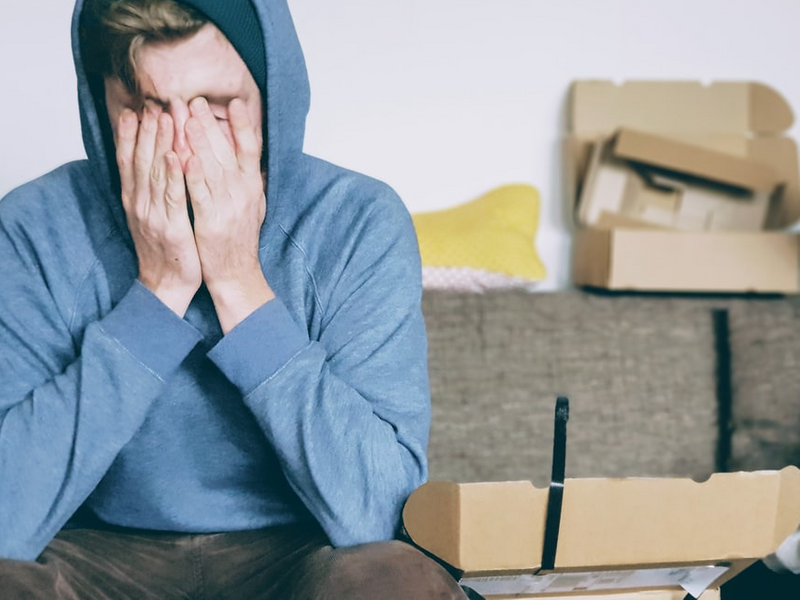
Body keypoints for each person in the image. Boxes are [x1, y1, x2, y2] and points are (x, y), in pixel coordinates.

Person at [0, 0, 467, 598]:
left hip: (301, 552)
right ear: (101, 106)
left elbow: (381, 516)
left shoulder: (357, 221)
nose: (180, 149)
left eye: (215, 110)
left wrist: (238, 281)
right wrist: (160, 289)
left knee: (396, 580)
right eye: (145, 109)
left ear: (272, 97)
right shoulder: (32, 226)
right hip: (94, 554)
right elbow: (7, 525)